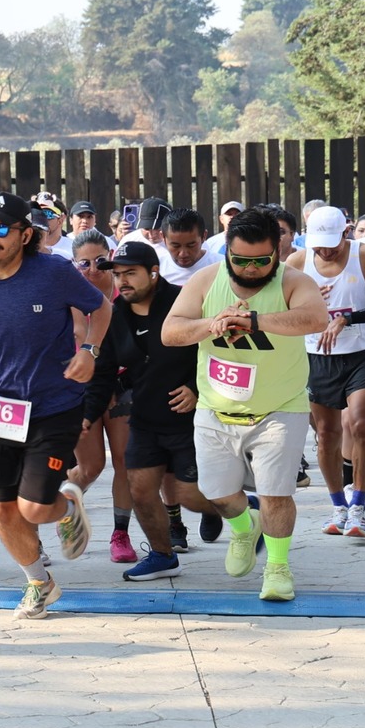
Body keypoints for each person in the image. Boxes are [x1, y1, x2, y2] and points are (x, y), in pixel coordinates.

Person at [0, 192, 110, 620]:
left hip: (55, 404)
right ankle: (39, 583)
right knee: (1, 508)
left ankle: (67, 507)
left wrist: (89, 349)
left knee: (33, 507)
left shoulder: (53, 271)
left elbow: (101, 307)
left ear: (25, 234)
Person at [162, 208, 328, 602]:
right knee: (216, 493)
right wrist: (211, 323)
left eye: (260, 260)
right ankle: (242, 527)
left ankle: (277, 567)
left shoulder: (294, 281)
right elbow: (171, 332)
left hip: (279, 409)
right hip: (215, 408)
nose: (250, 268)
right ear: (226, 253)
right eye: (240, 260)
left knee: (275, 494)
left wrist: (255, 321)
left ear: (278, 252)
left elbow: (315, 318)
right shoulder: (206, 281)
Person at [86, 240, 221, 580]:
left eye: (131, 273)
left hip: (190, 418)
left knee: (189, 495)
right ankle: (163, 555)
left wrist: (196, 387)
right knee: (141, 489)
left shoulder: (183, 302)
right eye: (117, 275)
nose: (122, 282)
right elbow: (103, 374)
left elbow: (216, 351)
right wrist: (87, 414)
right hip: (144, 419)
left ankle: (242, 510)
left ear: (154, 272)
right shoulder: (115, 316)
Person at [287, 206, 365, 537]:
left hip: (362, 351)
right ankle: (338, 506)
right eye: (318, 244)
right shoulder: (296, 263)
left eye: (331, 243)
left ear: (346, 232)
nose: (325, 250)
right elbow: (276, 310)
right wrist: (308, 306)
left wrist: (347, 318)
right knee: (327, 433)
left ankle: (359, 507)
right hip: (317, 356)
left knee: (362, 425)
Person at [68, 231, 135, 563]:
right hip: (83, 390)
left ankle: (120, 533)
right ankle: (65, 507)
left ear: (110, 257)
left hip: (123, 389)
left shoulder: (128, 293)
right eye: (84, 263)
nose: (93, 269)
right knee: (91, 465)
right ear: (74, 265)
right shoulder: (70, 302)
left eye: (100, 261)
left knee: (124, 460)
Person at [160, 208, 221, 286]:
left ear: (204, 236)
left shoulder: (222, 266)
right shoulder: (157, 268)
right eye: (175, 246)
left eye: (191, 245)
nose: (183, 254)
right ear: (163, 238)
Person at [31, 192, 72, 259]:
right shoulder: (24, 248)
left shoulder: (73, 249)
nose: (41, 219)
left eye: (47, 214)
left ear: (61, 218)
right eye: (36, 214)